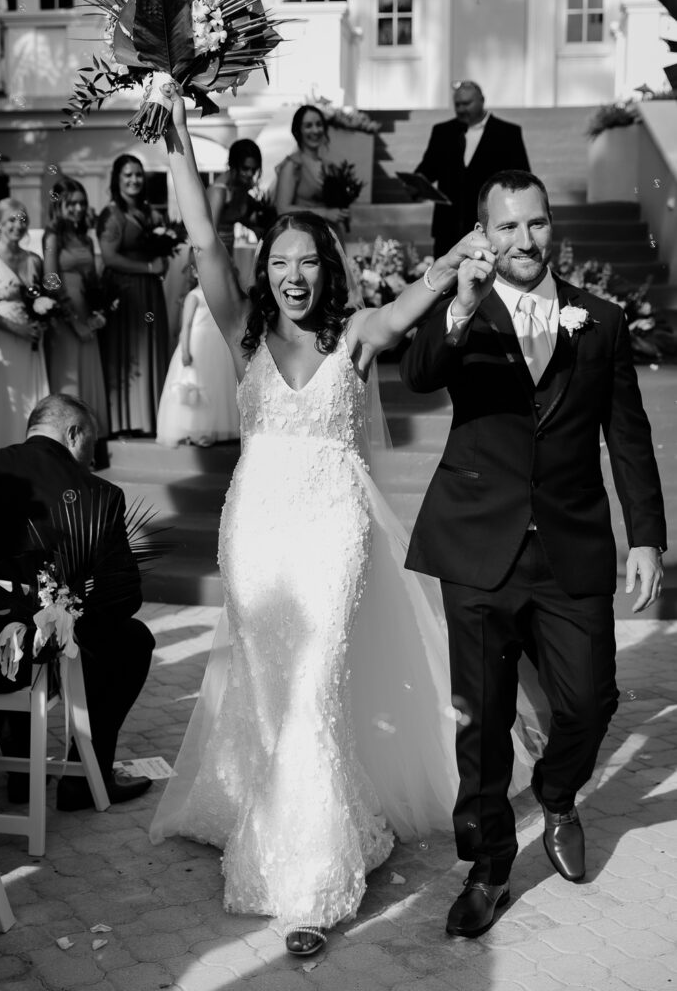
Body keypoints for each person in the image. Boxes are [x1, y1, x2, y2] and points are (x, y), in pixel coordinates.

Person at [149, 83, 539, 957]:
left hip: (331, 528)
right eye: (280, 262)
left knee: (315, 682)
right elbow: (205, 237)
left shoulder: (355, 334)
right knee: (269, 685)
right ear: (267, 271)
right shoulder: (243, 328)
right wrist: (177, 138)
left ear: (328, 268)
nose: (292, 275)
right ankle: (276, 812)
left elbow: (420, 303)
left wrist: (464, 255)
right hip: (254, 529)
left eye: (307, 262)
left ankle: (316, 882)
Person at [400, 169, 666, 938]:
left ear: (553, 228)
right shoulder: (467, 313)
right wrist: (454, 300)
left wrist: (643, 535)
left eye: (536, 225)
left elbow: (626, 436)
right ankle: (486, 869)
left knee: (590, 701)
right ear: (484, 233)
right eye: (507, 227)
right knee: (479, 723)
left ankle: (555, 795)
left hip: (570, 546)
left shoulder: (602, 321)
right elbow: (418, 377)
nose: (524, 240)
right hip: (476, 543)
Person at [0, 393, 155, 810]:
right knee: (131, 640)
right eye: (91, 444)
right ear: (73, 432)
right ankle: (84, 779)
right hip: (39, 654)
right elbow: (124, 597)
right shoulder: (99, 494)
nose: (92, 458)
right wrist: (68, 620)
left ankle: (18, 762)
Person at [97, 154, 169, 436]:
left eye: (138, 174)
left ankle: (151, 416)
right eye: (128, 175)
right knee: (126, 353)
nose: (134, 180)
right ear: (117, 178)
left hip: (150, 291)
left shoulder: (150, 212)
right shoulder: (111, 214)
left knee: (150, 348)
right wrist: (149, 266)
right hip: (125, 292)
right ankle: (125, 421)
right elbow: (109, 258)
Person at [415, 81, 530, 258]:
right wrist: (415, 184)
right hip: (447, 226)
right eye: (457, 104)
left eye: (466, 103)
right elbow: (427, 170)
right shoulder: (443, 132)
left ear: (482, 100)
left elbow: (521, 179)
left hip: (489, 224)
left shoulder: (507, 133)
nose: (461, 109)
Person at [42, 176, 109, 438]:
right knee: (69, 380)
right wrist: (75, 322)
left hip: (86, 317)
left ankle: (87, 442)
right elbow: (50, 279)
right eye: (72, 204)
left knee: (88, 377)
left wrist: (98, 312)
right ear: (58, 206)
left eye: (82, 203)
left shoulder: (86, 239)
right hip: (65, 318)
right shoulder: (52, 235)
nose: (79, 209)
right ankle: (65, 441)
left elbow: (93, 281)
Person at [156, 254, 240, 446]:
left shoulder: (221, 295)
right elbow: (185, 326)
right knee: (196, 384)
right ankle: (193, 428)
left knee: (216, 385)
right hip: (197, 345)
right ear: (194, 272)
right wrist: (185, 349)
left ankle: (212, 429)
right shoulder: (193, 296)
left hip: (217, 346)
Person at [0, 198, 50, 447]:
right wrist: (18, 329)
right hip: (2, 341)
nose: (18, 225)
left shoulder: (33, 260)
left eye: (22, 219)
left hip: (31, 344)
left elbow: (42, 298)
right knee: (7, 398)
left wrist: (43, 318)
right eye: (10, 220)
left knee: (31, 398)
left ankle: (28, 451)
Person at [274, 104, 350, 242]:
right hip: (305, 238)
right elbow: (282, 209)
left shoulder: (329, 166)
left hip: (331, 236)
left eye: (319, 124)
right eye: (308, 126)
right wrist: (325, 213)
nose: (315, 130)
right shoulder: (293, 165)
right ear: (298, 131)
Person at [208, 138, 264, 255]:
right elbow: (208, 238)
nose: (250, 174)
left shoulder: (240, 187)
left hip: (227, 252)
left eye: (253, 169)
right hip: (212, 254)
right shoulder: (218, 191)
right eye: (245, 168)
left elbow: (236, 216)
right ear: (233, 165)